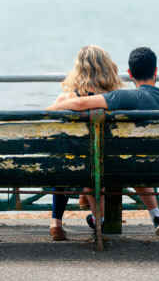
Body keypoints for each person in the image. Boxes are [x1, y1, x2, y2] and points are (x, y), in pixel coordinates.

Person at [47, 46, 159, 238]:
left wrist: (49, 110)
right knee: (130, 159)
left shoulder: (121, 97)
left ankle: (77, 220)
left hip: (91, 167)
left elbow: (78, 106)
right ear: (156, 71)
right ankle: (157, 216)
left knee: (76, 160)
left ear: (130, 73)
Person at [46, 45, 123, 241]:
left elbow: (51, 130)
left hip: (75, 166)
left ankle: (56, 223)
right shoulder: (115, 99)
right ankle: (100, 219)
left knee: (64, 158)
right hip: (111, 166)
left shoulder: (66, 99)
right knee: (92, 162)